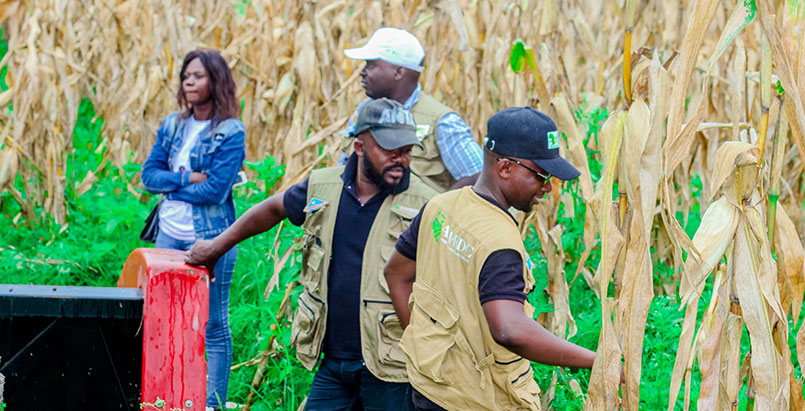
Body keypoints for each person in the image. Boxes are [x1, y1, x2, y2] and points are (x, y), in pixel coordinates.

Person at [185, 98, 437, 410]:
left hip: (390, 364)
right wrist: (216, 247)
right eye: (390, 150)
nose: (401, 159)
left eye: (407, 151)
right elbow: (273, 208)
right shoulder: (323, 187)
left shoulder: (428, 204)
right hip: (332, 362)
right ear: (359, 147)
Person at [383, 107, 596, 410]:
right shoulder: (500, 243)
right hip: (479, 401)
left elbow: (396, 274)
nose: (547, 187)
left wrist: (423, 346)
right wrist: (595, 360)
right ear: (505, 167)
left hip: (430, 389)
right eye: (541, 175)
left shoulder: (441, 206)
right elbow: (509, 329)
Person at [141, 49, 245, 410]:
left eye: (198, 75)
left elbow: (215, 190)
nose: (189, 81)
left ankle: (212, 403)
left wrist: (170, 185)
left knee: (213, 323)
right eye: (186, 75)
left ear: (216, 81)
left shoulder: (230, 132)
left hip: (211, 235)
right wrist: (186, 178)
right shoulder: (173, 124)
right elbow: (147, 176)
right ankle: (166, 398)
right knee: (164, 319)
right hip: (167, 234)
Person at [342, 27, 482, 192]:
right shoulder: (362, 113)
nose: (362, 72)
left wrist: (433, 209)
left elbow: (477, 175)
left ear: (398, 72)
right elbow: (343, 170)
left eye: (371, 65)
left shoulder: (441, 121)